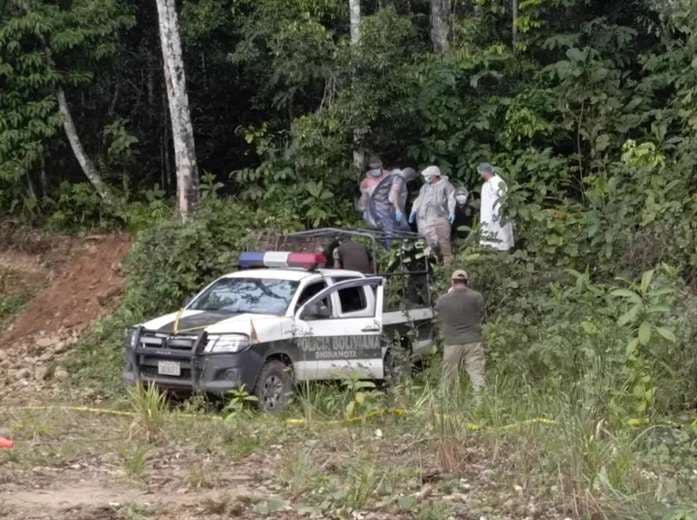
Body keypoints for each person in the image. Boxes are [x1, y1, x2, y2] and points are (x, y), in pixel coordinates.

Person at [435, 270, 485, 395]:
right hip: (473, 341)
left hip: (452, 342)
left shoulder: (442, 300)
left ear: (452, 282)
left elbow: (439, 315)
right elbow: (481, 313)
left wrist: (449, 294)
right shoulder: (476, 297)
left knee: (448, 376)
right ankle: (481, 403)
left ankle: (446, 403)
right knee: (477, 373)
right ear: (467, 282)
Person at [409, 166, 456, 264]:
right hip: (428, 218)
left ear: (434, 176)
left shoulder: (445, 185)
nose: (426, 178)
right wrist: (413, 211)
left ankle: (448, 264)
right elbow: (419, 200)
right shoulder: (425, 187)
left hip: (441, 217)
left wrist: (451, 211)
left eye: (428, 176)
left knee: (443, 241)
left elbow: (451, 198)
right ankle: (436, 261)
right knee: (430, 241)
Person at [478, 162, 514, 251]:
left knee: (500, 235)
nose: (481, 175)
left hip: (497, 215)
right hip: (487, 215)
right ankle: (491, 252)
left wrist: (497, 212)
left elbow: (503, 198)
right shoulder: (487, 183)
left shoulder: (497, 182)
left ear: (486, 172)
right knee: (489, 235)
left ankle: (502, 253)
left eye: (481, 173)